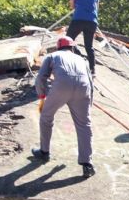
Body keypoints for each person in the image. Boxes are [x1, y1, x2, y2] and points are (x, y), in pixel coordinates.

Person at [34, 36, 95, 178]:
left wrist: (42, 97)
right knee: (84, 125)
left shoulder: (52, 56)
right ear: (72, 48)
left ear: (58, 47)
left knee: (46, 117)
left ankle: (44, 152)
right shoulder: (82, 59)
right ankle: (87, 165)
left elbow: (40, 78)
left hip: (61, 87)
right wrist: (89, 102)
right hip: (83, 88)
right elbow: (90, 81)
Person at [67, 0, 99, 77]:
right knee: (89, 46)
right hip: (92, 21)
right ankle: (92, 69)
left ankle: (77, 60)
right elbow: (96, 7)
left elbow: (72, 6)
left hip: (78, 19)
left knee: (68, 40)